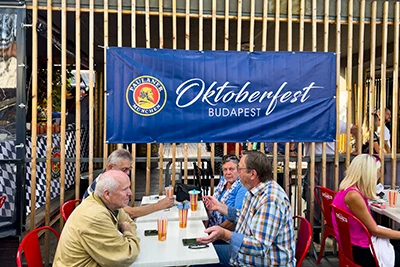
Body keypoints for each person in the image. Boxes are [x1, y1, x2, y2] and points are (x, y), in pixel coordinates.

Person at [197, 150, 296, 266]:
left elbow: (259, 246)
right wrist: (219, 206)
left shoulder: (270, 200)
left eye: (239, 169)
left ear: (253, 174)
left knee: (200, 257)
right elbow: (244, 216)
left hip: (263, 262)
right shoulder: (254, 189)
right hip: (243, 256)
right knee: (199, 254)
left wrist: (224, 234)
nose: (237, 172)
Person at [53, 170, 141, 266]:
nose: (130, 193)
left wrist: (128, 238)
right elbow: (126, 255)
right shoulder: (95, 216)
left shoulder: (110, 204)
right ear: (107, 194)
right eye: (125, 189)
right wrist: (127, 233)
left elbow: (130, 223)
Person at [331, 154, 400, 267]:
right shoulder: (353, 196)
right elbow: (375, 230)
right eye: (378, 170)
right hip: (361, 250)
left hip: (352, 245)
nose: (380, 173)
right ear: (369, 174)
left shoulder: (346, 190)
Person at [83, 148, 174, 219]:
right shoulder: (104, 185)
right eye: (124, 169)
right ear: (110, 167)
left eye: (129, 169)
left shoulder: (107, 179)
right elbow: (130, 213)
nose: (127, 173)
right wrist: (159, 205)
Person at [208, 154, 247, 230]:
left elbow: (236, 219)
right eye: (225, 169)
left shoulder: (242, 187)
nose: (228, 172)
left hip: (226, 232)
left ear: (239, 170)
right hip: (212, 224)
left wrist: (215, 231)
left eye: (231, 169)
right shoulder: (223, 180)